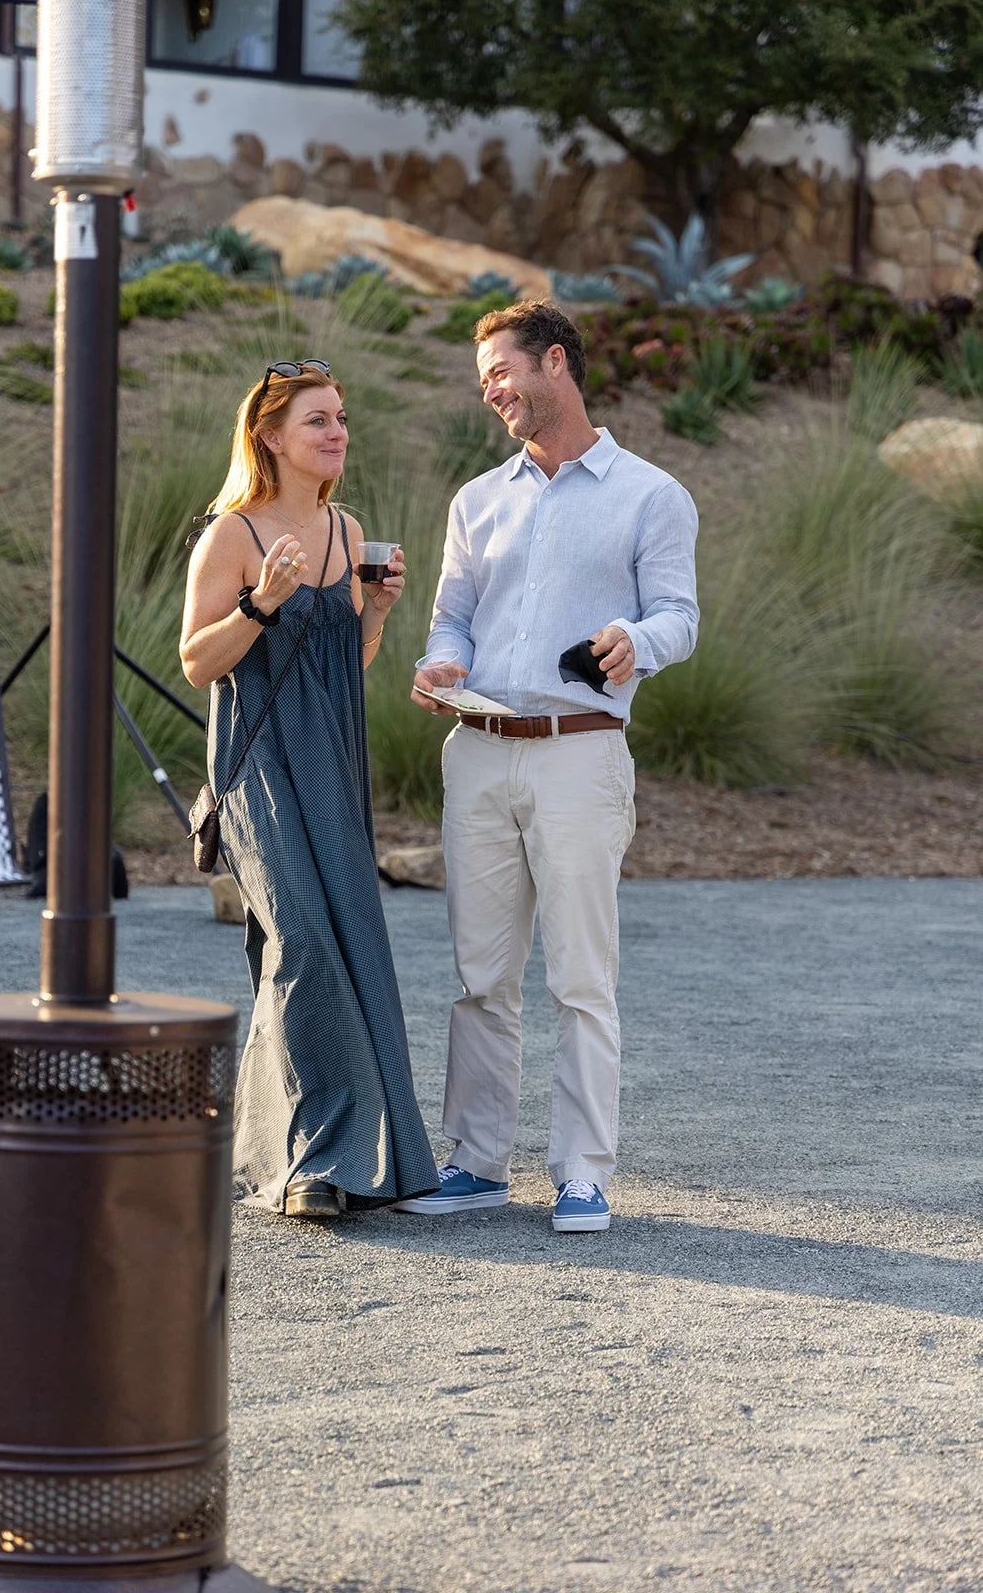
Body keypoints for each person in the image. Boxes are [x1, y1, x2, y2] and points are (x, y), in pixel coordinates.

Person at [397, 303, 699, 1234]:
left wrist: (632, 641)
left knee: (579, 977)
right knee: (480, 975)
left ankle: (580, 1173)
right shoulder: (476, 499)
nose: (490, 390)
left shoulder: (651, 494)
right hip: (478, 754)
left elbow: (679, 618)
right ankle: (477, 1163)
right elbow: (451, 617)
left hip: (580, 757)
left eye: (500, 371)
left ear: (554, 363)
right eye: (481, 378)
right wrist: (439, 661)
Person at [180, 360, 438, 1219]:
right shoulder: (232, 534)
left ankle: (316, 1152)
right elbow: (195, 664)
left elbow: (339, 671)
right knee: (299, 941)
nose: (337, 434)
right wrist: (259, 604)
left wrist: (374, 616)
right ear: (270, 436)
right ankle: (316, 1161)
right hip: (255, 767)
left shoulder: (343, 527)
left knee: (349, 941)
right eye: (318, 422)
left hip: (330, 758)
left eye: (340, 418)